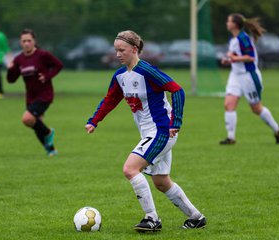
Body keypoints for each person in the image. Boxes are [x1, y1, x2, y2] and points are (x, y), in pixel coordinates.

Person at [85, 30, 206, 232]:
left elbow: (177, 90)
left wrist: (176, 121)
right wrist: (94, 120)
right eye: (115, 50)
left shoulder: (148, 71)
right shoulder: (120, 76)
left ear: (134, 49)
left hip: (161, 131)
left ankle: (152, 219)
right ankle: (196, 217)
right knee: (161, 182)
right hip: (150, 134)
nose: (117, 54)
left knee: (130, 169)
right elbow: (110, 100)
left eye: (121, 50)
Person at [220, 13, 279, 145]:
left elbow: (250, 57)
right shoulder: (233, 40)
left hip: (248, 76)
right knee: (229, 104)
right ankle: (231, 138)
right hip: (235, 76)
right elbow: (236, 58)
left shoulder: (243, 39)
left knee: (256, 108)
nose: (227, 23)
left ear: (235, 24)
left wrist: (233, 57)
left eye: (228, 21)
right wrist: (229, 60)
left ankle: (277, 129)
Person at [7, 29, 63, 156]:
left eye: (29, 41)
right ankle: (51, 150)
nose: (26, 43)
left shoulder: (43, 55)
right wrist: (10, 69)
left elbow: (59, 65)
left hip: (45, 95)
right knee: (37, 125)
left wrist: (47, 76)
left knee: (27, 119)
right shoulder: (19, 59)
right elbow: (11, 80)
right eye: (23, 41)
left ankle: (49, 132)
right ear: (20, 43)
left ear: (34, 41)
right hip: (30, 97)